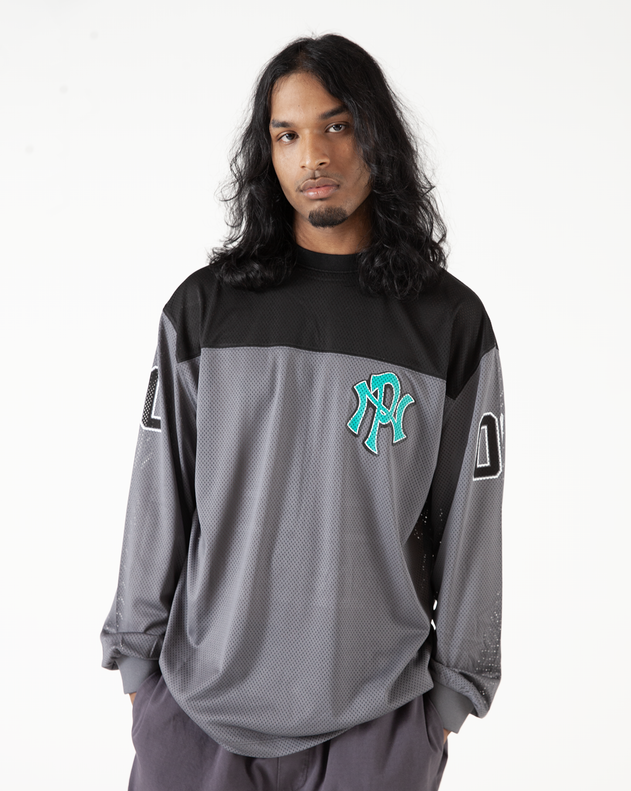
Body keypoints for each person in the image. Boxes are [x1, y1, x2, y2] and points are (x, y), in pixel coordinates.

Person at [101, 33, 505, 791]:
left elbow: (472, 519)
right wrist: (136, 661)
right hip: (195, 708)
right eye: (287, 135)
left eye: (336, 126)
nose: (313, 156)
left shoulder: (447, 323)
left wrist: (455, 689)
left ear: (377, 135)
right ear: (267, 152)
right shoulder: (204, 311)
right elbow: (159, 492)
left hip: (376, 716)